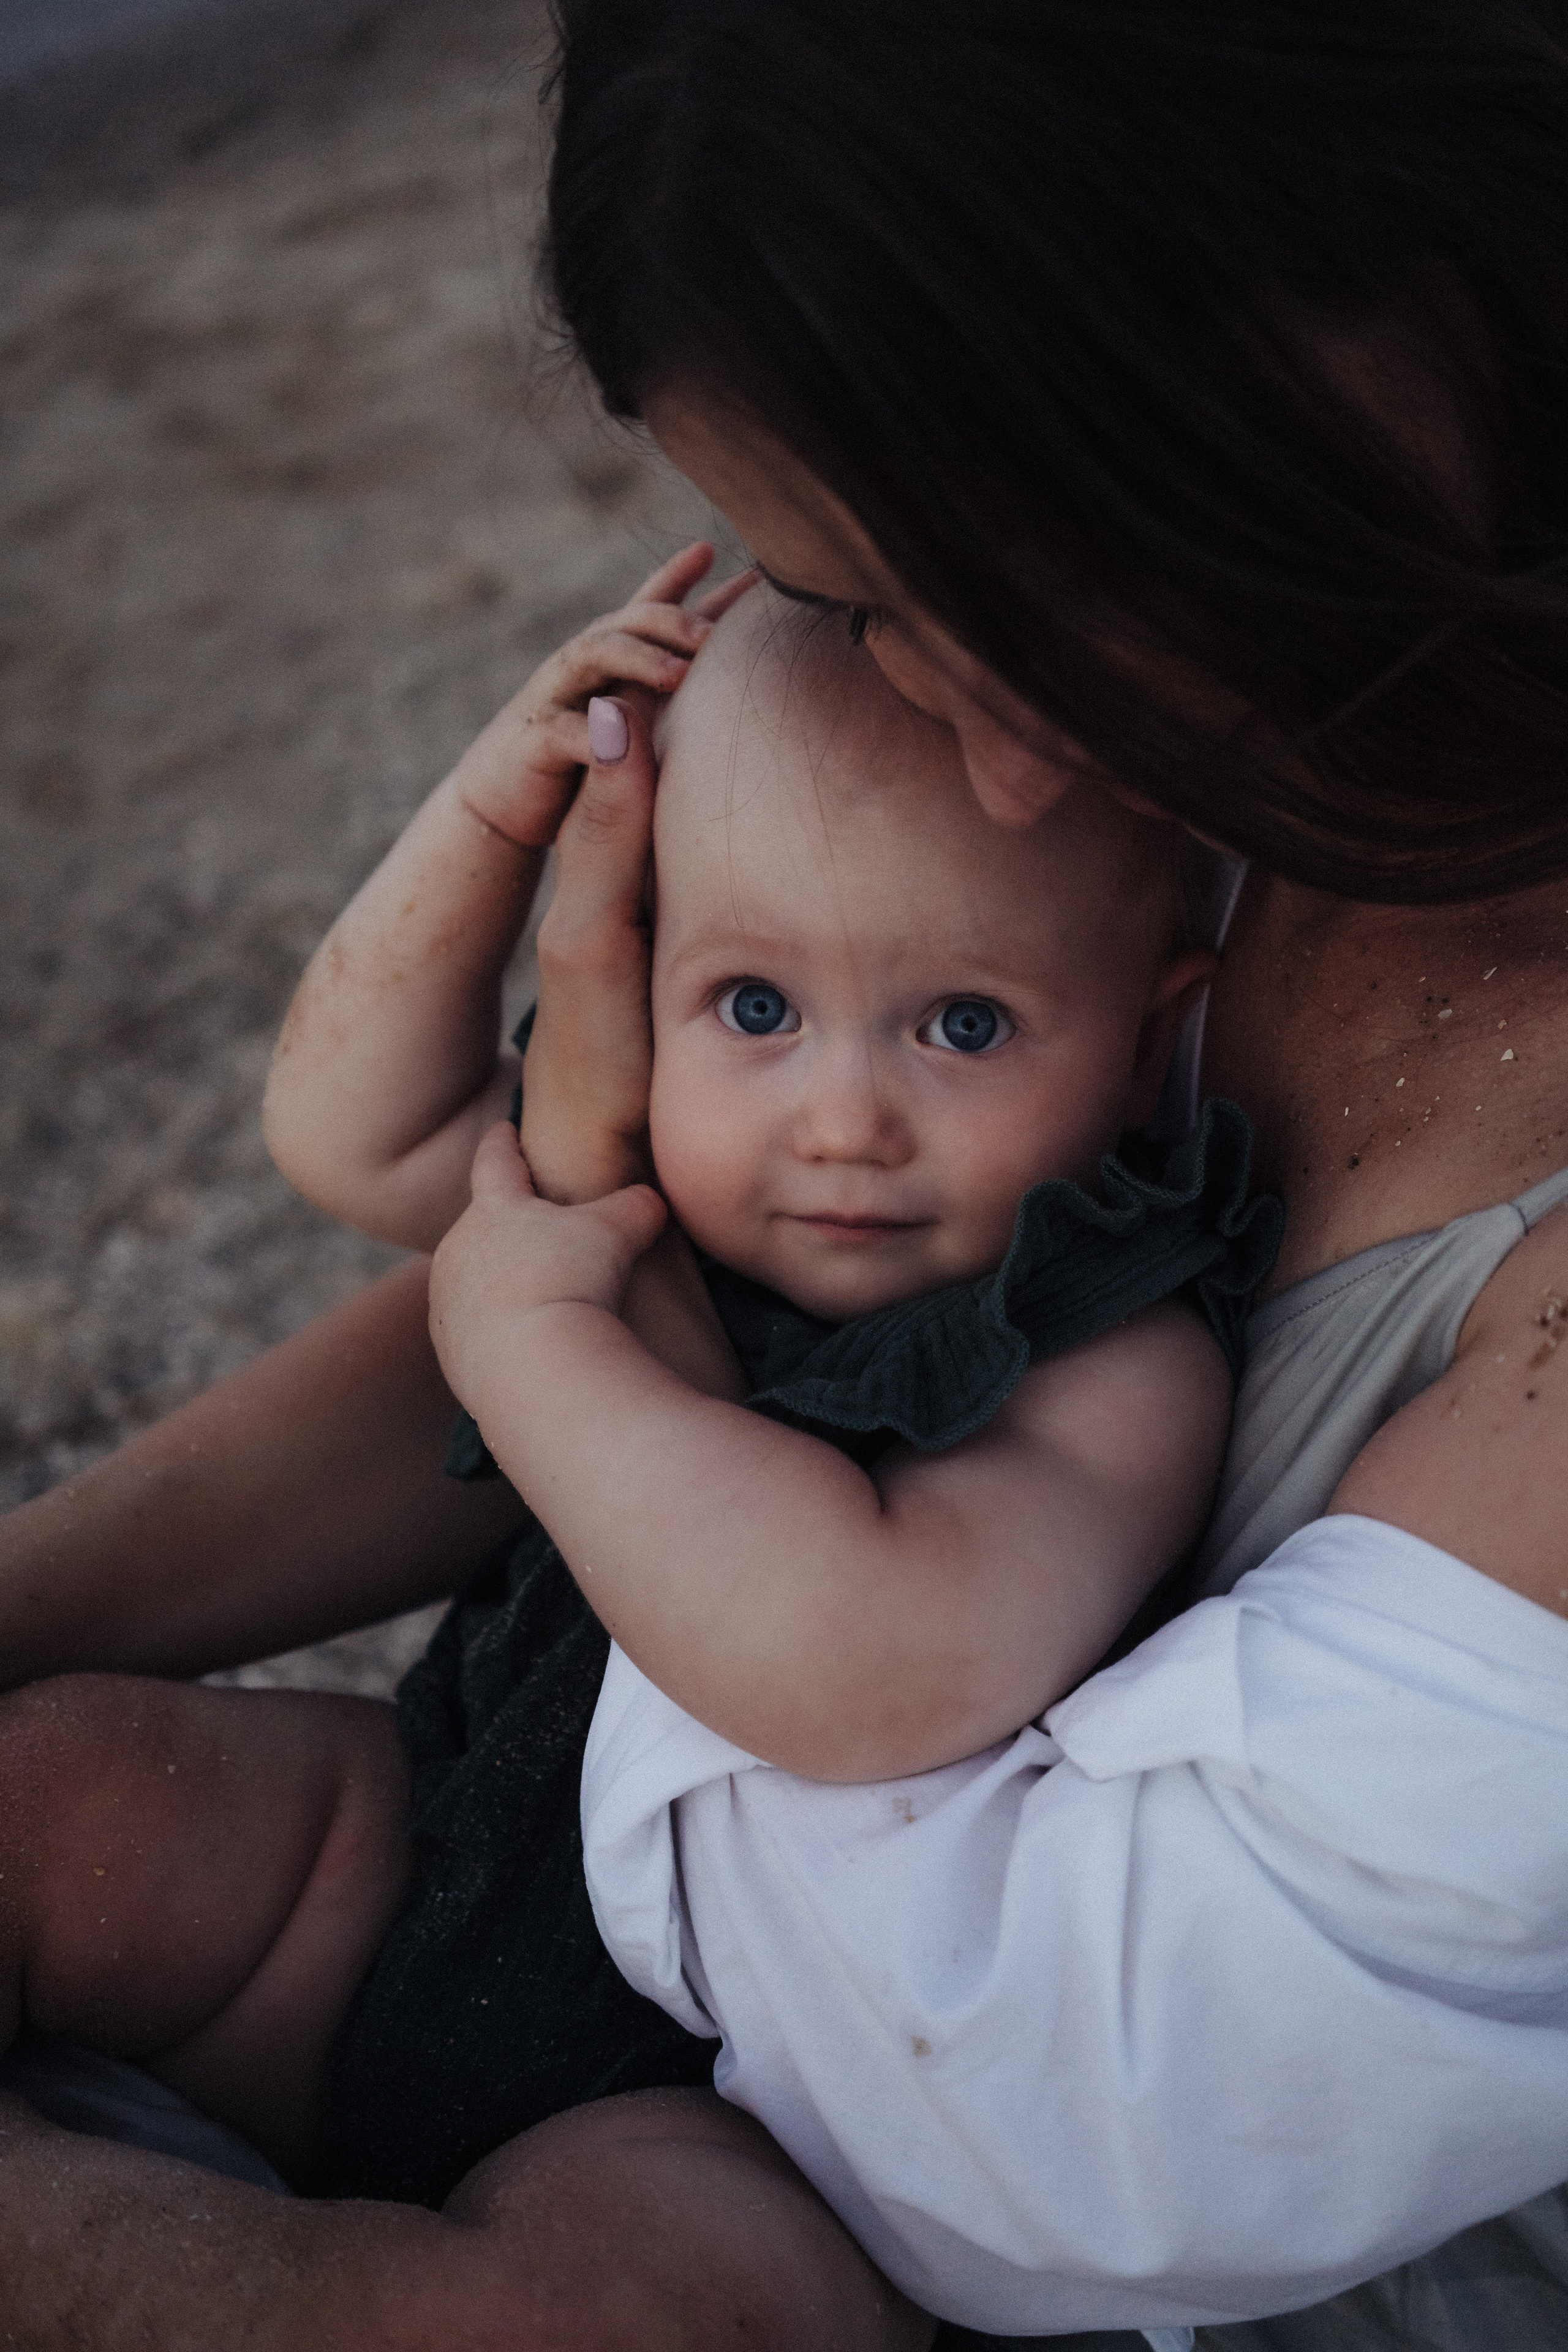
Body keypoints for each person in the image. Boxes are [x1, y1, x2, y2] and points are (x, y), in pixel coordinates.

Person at [4, 0, 1568, 2342]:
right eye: (852, 603)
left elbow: (1052, 2107)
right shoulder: (1203, 791)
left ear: (1339, 305)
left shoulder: (1117, 1276)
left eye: (998, 571)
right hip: (483, 1871)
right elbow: (517, 1234)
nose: (990, 774)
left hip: (866, 2188)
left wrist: (561, 1337)